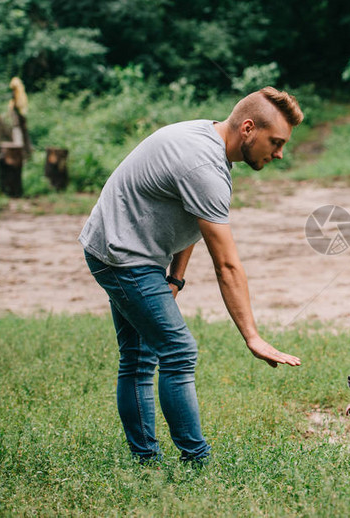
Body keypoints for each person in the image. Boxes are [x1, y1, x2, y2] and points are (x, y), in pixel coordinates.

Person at [79, 87, 303, 464]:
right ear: (248, 128)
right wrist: (253, 336)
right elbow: (227, 265)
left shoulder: (207, 139)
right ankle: (196, 461)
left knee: (138, 356)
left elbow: (189, 217)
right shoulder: (203, 166)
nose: (279, 153)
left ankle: (145, 461)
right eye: (276, 142)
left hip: (120, 246)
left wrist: (175, 277)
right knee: (178, 351)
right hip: (123, 257)